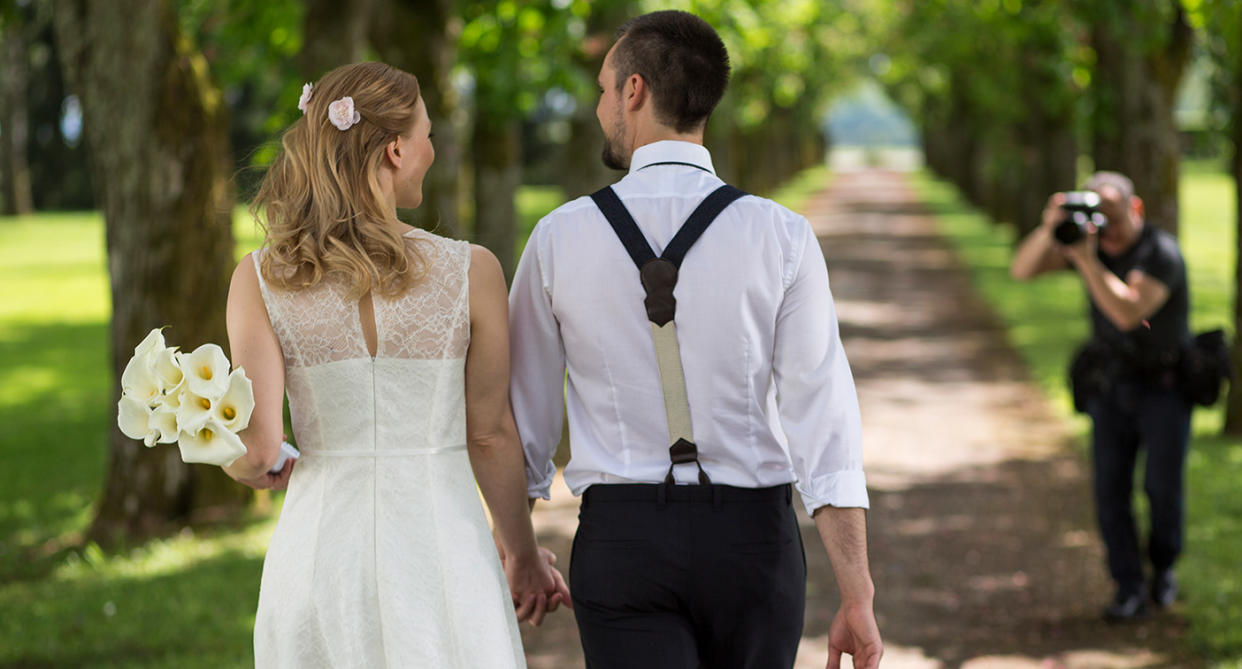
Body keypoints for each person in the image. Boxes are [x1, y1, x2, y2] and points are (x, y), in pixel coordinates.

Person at [509, 11, 882, 669]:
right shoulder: (782, 235)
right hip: (753, 544)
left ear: (634, 91)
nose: (599, 109)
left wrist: (517, 552)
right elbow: (822, 417)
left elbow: (523, 425)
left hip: (621, 543)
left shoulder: (557, 238)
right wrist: (857, 591)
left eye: (602, 89)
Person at [221, 62, 568, 667]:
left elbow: (257, 449)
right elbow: (489, 434)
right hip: (443, 552)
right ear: (396, 149)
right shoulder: (473, 271)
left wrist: (243, 468)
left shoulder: (260, 277)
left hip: (319, 555)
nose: (432, 149)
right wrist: (522, 555)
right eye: (428, 133)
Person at [1010, 171, 1191, 621]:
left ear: (1136, 208)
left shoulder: (1160, 252)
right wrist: (1050, 226)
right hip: (1112, 387)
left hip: (1166, 386)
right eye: (1096, 214)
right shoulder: (1083, 243)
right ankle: (1127, 585)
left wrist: (1087, 261)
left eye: (1112, 213)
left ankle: (1163, 568)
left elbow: (1129, 312)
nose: (1104, 225)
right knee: (1110, 491)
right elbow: (1022, 269)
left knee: (1162, 489)